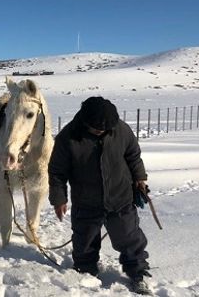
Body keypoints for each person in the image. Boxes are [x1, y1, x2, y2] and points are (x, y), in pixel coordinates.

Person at [48, 96, 152, 295]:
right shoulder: (67, 137)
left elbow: (133, 155)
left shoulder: (120, 129)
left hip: (120, 196)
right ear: (85, 122)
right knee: (84, 243)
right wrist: (59, 199)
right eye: (98, 129)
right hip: (86, 200)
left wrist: (140, 178)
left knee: (129, 238)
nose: (102, 131)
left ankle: (138, 273)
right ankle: (86, 274)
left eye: (106, 128)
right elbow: (57, 172)